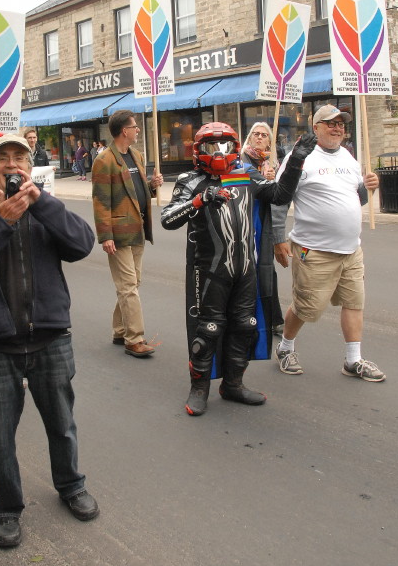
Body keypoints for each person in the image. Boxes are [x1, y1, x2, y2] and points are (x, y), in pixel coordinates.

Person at [0, 134, 99, 549]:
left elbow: (82, 244)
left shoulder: (46, 208)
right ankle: (7, 508)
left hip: (49, 338)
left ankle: (71, 486)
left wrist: (41, 204)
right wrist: (2, 222)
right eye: (3, 159)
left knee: (62, 425)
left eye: (20, 159)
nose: (12, 166)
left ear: (30, 168)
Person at [161, 122, 316, 416]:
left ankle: (233, 384)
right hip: (209, 270)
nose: (219, 152)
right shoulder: (190, 180)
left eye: (225, 145)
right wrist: (199, 200)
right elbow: (168, 219)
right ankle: (199, 388)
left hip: (244, 267)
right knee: (207, 329)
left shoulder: (245, 174)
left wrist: (295, 161)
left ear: (234, 147)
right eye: (211, 146)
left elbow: (280, 195)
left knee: (246, 325)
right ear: (198, 150)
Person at [272, 104, 385, 382]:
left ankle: (353, 360)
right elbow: (279, 199)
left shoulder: (348, 156)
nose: (337, 128)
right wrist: (278, 239)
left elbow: (355, 199)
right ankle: (285, 348)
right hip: (314, 249)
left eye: (341, 124)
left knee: (354, 302)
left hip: (350, 250)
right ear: (316, 128)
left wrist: (367, 187)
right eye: (330, 123)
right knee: (305, 306)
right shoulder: (300, 158)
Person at [91, 110, 164, 358]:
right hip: (119, 233)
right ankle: (134, 338)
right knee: (128, 286)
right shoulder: (104, 160)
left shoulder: (137, 156)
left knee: (132, 284)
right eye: (135, 127)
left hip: (139, 229)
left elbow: (136, 193)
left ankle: (120, 329)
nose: (138, 130)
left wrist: (152, 188)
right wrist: (105, 235)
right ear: (125, 131)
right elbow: (101, 201)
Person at [240, 122, 284, 337]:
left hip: (264, 223)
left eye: (264, 135)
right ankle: (246, 316)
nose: (259, 137)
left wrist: (274, 180)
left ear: (269, 141)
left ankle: (273, 318)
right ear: (249, 138)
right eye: (255, 134)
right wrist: (264, 182)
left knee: (267, 270)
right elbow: (249, 184)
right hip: (245, 221)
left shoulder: (273, 164)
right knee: (246, 270)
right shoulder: (241, 160)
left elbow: (281, 195)